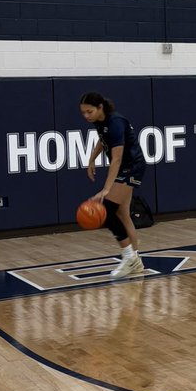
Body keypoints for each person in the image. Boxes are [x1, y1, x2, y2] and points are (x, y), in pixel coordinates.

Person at [79, 91, 146, 279]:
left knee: (107, 210)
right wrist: (91, 159)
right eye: (83, 113)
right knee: (123, 214)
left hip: (131, 167)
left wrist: (107, 189)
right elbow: (103, 140)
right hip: (125, 168)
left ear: (100, 107)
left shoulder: (115, 122)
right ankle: (136, 261)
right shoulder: (100, 122)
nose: (86, 116)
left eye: (89, 112)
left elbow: (116, 159)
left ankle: (128, 257)